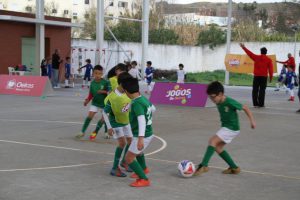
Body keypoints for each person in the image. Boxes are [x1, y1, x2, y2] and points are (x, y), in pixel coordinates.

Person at [194, 81, 255, 176]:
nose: (212, 99)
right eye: (210, 97)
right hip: (227, 128)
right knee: (218, 147)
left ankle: (204, 165)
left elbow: (245, 108)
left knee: (212, 141)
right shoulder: (218, 100)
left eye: (213, 97)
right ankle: (234, 168)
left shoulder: (229, 101)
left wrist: (252, 121)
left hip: (231, 128)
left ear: (221, 94)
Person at [120, 76, 156, 187]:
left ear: (126, 91)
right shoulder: (142, 99)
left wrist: (140, 138)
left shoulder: (136, 104)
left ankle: (144, 179)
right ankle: (144, 169)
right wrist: (129, 105)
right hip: (148, 133)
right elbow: (153, 109)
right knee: (139, 152)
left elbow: (141, 121)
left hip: (142, 135)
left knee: (129, 158)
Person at [102, 72, 134, 177]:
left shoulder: (128, 92)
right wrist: (109, 127)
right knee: (122, 143)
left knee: (130, 141)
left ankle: (124, 162)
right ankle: (115, 168)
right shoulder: (113, 97)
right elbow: (104, 112)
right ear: (122, 83)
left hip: (126, 121)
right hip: (115, 122)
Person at [89, 63, 128, 141]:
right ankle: (95, 131)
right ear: (116, 71)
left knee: (122, 119)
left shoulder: (126, 79)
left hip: (122, 102)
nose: (120, 73)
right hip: (111, 101)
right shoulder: (112, 80)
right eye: (119, 71)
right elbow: (110, 91)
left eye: (122, 71)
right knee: (104, 118)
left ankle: (111, 132)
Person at [76, 65, 110, 139]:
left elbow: (109, 92)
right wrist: (87, 100)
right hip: (95, 103)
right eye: (96, 73)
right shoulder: (92, 83)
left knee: (104, 119)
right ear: (93, 73)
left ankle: (105, 132)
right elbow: (91, 94)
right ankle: (82, 131)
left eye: (99, 73)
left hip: (104, 104)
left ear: (102, 74)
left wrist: (103, 91)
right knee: (89, 116)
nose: (97, 75)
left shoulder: (105, 82)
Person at [240, 43, 273, 108]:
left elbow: (249, 53)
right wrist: (271, 78)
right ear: (266, 52)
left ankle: (255, 104)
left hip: (256, 76)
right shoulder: (269, 60)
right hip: (264, 77)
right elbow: (271, 70)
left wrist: (243, 47)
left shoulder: (256, 57)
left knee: (255, 90)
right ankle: (261, 104)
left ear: (260, 52)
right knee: (262, 90)